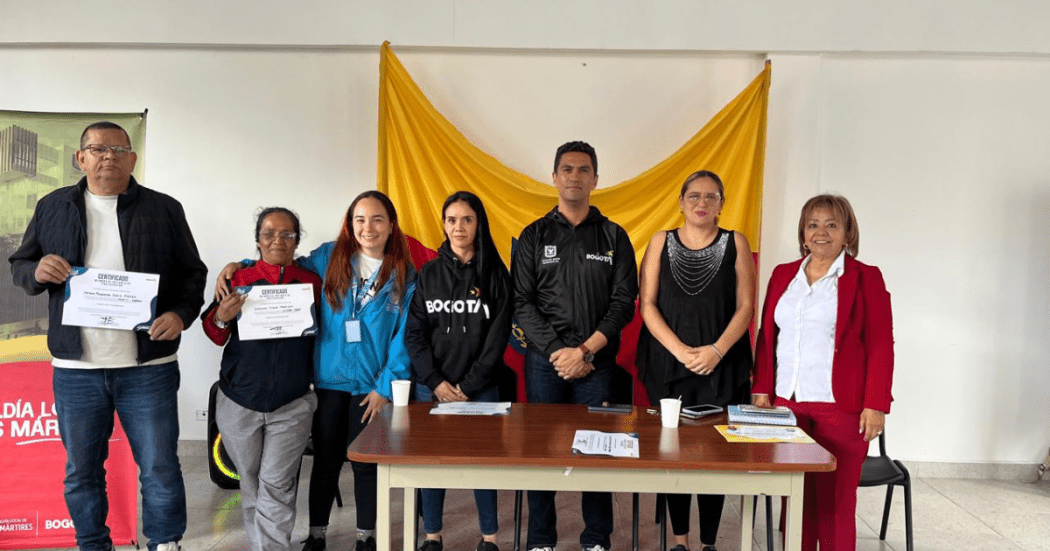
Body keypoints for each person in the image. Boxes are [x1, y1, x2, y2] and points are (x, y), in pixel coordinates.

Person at [9, 121, 207, 551]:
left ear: (133, 159)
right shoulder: (52, 206)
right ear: (81, 158)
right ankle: (93, 544)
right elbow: (21, 265)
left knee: (159, 467)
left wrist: (180, 313)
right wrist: (36, 272)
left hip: (148, 367)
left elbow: (193, 273)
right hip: (76, 367)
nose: (108, 157)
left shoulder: (164, 209)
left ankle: (164, 543)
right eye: (98, 149)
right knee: (82, 471)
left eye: (118, 149)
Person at [216, 190, 416, 551]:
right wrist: (240, 264)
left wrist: (385, 386)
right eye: (360, 219)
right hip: (326, 383)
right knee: (325, 461)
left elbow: (404, 338)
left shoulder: (403, 275)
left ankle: (365, 536)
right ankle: (317, 534)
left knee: (366, 464)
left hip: (370, 389)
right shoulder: (329, 258)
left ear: (390, 226)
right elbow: (281, 262)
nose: (367, 227)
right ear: (349, 224)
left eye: (376, 219)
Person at [511, 141, 639, 551]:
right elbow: (522, 304)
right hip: (544, 364)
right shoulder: (533, 235)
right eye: (567, 169)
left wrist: (584, 352)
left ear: (596, 179)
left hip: (596, 365)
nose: (575, 176)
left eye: (584, 170)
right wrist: (560, 354)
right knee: (541, 454)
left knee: (596, 454)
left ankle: (596, 539)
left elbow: (624, 304)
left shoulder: (614, 236)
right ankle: (542, 539)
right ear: (554, 177)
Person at [751, 194, 894, 551]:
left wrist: (875, 404)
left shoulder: (866, 278)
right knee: (794, 501)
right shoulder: (784, 274)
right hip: (786, 407)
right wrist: (762, 387)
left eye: (832, 224)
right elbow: (768, 337)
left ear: (848, 233)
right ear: (803, 233)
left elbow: (880, 344)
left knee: (835, 505)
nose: (821, 232)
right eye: (813, 224)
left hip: (841, 408)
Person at [637, 171, 754, 551]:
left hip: (722, 364)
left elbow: (746, 306)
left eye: (711, 197)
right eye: (694, 196)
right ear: (681, 201)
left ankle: (708, 542)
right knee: (674, 452)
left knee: (714, 456)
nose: (702, 204)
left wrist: (716, 350)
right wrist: (679, 351)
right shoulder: (660, 241)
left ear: (722, 203)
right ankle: (680, 540)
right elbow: (648, 305)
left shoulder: (736, 242)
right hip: (669, 364)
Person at [201, 208, 321, 551]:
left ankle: (270, 547)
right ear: (257, 240)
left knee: (277, 482)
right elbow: (214, 333)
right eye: (269, 233)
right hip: (239, 400)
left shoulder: (311, 281)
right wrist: (222, 318)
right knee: (251, 480)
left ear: (297, 240)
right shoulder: (237, 280)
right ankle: (262, 544)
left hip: (292, 402)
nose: (278, 241)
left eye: (287, 234)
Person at [405, 191, 512, 551]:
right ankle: (432, 536)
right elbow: (415, 333)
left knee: (483, 464)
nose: (458, 227)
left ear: (478, 223)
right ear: (444, 224)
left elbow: (497, 339)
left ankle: (489, 537)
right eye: (451, 220)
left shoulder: (496, 273)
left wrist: (468, 386)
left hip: (480, 390)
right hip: (431, 389)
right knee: (431, 465)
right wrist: (435, 382)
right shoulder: (429, 272)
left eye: (466, 219)